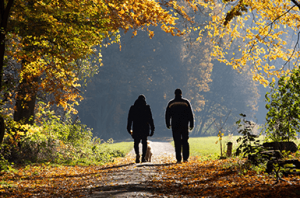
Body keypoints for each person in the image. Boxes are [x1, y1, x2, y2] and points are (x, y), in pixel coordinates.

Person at [165, 89, 194, 163]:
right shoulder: (186, 102)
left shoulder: (171, 103)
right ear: (181, 93)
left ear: (174, 94)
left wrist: (168, 123)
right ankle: (185, 158)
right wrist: (191, 124)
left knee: (177, 141)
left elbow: (167, 115)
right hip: (184, 124)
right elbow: (190, 114)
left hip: (175, 125)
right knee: (185, 141)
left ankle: (178, 159)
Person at [127, 95, 155, 163]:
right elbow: (150, 119)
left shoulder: (133, 108)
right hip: (145, 127)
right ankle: (143, 157)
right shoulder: (147, 107)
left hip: (136, 127)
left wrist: (129, 128)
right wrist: (152, 128)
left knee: (136, 142)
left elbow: (129, 119)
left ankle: (137, 155)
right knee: (144, 142)